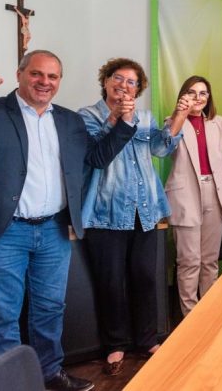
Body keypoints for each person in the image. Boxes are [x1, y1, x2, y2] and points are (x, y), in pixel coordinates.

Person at [0, 51, 135, 391]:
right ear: (20, 74)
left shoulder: (69, 120)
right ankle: (11, 385)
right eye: (37, 74)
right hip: (4, 230)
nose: (44, 82)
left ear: (59, 81)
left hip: (52, 229)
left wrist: (124, 124)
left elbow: (95, 157)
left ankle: (49, 372)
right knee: (3, 313)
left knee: (50, 308)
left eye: (52, 76)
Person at [79, 57, 189, 376]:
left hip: (145, 210)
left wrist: (179, 117)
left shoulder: (145, 117)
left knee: (145, 278)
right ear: (105, 81)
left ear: (138, 90)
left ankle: (146, 340)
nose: (124, 86)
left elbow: (160, 149)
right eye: (118, 78)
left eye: (132, 82)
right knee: (111, 282)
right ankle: (115, 345)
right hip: (106, 214)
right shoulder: (87, 116)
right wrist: (117, 118)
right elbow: (97, 157)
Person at [165, 75, 222, 316]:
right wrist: (180, 114)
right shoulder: (173, 122)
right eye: (192, 92)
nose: (198, 97)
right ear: (183, 95)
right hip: (186, 197)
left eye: (203, 93)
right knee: (189, 262)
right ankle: (190, 316)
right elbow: (165, 145)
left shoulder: (216, 122)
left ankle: (209, 314)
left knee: (209, 261)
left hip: (215, 194)